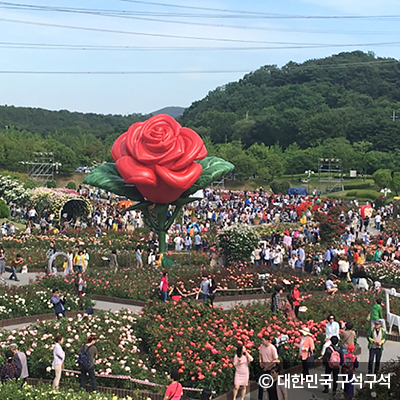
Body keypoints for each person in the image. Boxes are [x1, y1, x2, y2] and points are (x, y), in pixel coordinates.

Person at [258, 335, 280, 400]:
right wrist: (260, 362)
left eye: (263, 340)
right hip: (264, 367)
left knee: (270, 385)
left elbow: (276, 359)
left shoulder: (272, 348)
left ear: (267, 340)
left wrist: (268, 366)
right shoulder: (262, 346)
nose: (262, 342)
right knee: (261, 383)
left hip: (271, 368)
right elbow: (260, 354)